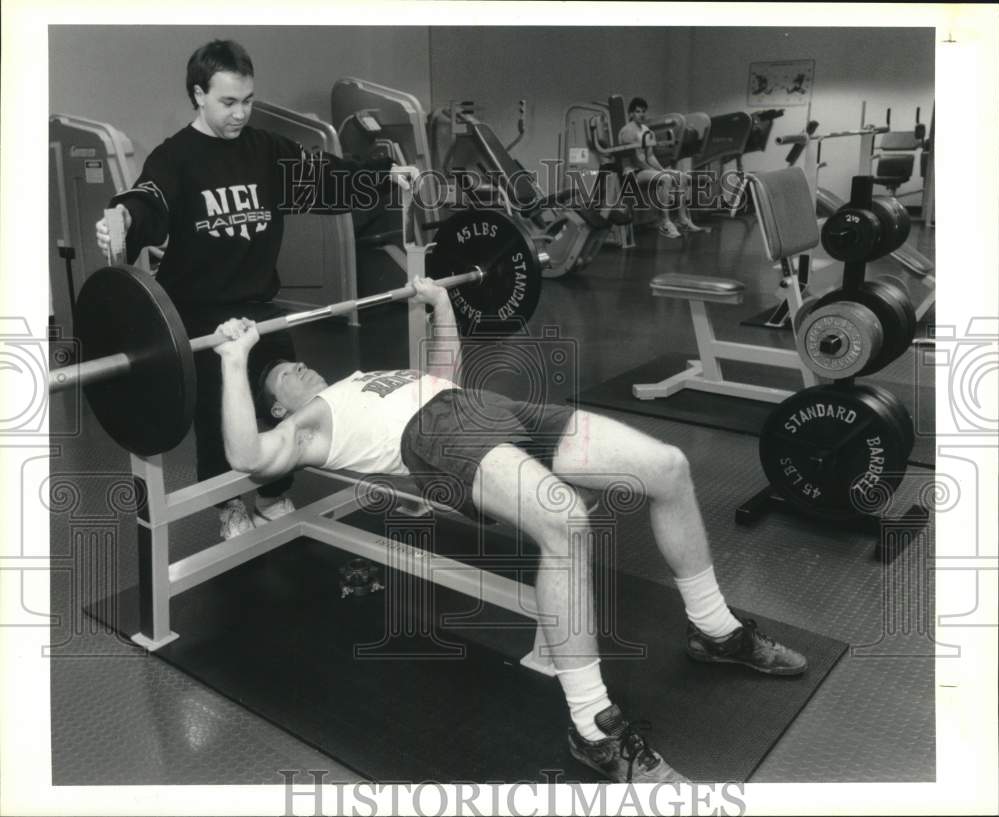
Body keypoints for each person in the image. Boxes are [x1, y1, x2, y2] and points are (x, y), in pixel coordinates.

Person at [211, 275, 808, 784]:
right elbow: (245, 456)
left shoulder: (359, 379)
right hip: (438, 441)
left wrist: (441, 306)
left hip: (484, 407)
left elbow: (442, 376)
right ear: (280, 410)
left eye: (296, 360)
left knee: (667, 467)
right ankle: (592, 725)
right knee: (567, 521)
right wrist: (236, 362)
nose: (299, 365)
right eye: (285, 374)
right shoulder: (309, 426)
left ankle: (715, 630)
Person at [95, 39, 396, 540]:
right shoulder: (176, 158)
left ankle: (274, 493)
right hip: (199, 312)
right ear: (198, 95)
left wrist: (386, 177)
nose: (240, 113)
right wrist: (123, 219)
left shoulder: (265, 151)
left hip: (258, 304)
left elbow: (325, 178)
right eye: (228, 102)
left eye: (248, 100)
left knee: (281, 404)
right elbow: (148, 202)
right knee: (220, 417)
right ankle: (228, 506)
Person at [617, 96, 706, 239]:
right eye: (638, 111)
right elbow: (636, 159)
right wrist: (661, 173)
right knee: (665, 178)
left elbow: (650, 156)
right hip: (632, 172)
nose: (641, 114)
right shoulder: (628, 131)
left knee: (681, 176)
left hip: (644, 169)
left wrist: (662, 169)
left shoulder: (646, 130)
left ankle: (683, 220)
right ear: (631, 113)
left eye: (643, 111)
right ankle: (664, 222)